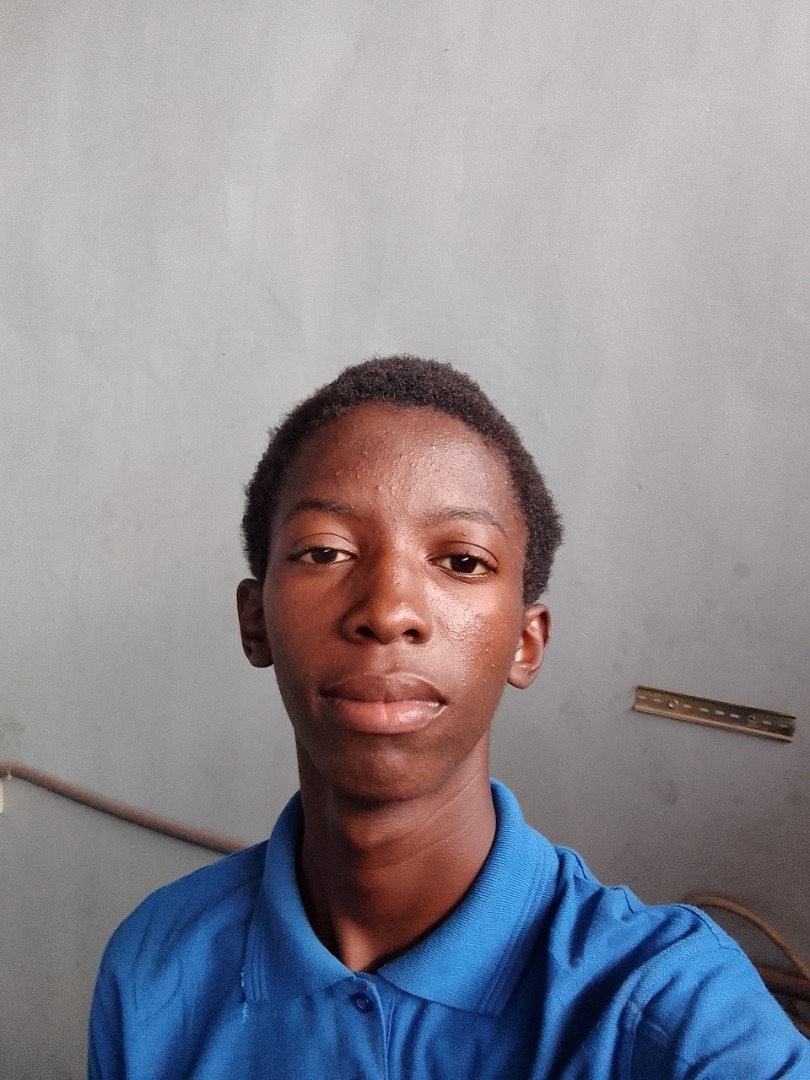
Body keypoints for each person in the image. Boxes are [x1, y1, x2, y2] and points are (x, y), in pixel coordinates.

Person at [88, 355, 809, 1078]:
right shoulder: (155, 967)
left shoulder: (673, 1012)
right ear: (255, 622)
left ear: (525, 642)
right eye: (326, 551)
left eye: (462, 561)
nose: (388, 611)